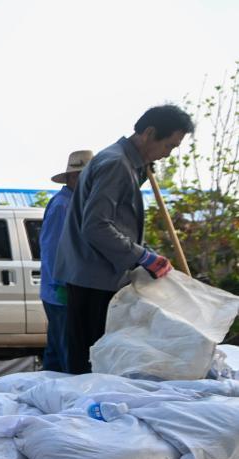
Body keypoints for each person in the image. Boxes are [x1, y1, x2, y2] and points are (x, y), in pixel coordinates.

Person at [55, 105, 193, 374]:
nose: (168, 154)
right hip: (93, 278)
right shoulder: (116, 163)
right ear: (149, 133)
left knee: (93, 360)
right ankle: (83, 414)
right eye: (169, 145)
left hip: (96, 275)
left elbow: (116, 220)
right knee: (89, 364)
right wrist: (142, 256)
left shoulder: (126, 163)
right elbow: (96, 227)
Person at [38, 150, 92, 372]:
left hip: (65, 288)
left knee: (56, 354)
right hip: (61, 290)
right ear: (71, 178)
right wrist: (60, 283)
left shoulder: (77, 204)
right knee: (67, 353)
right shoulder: (63, 205)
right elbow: (51, 249)